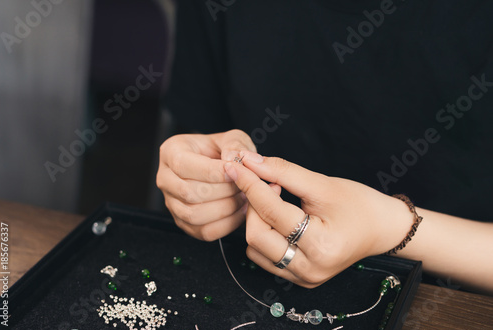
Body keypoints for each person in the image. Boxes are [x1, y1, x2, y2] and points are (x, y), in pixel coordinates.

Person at [156, 0, 493, 295]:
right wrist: (201, 181)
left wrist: (390, 227)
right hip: (242, 273)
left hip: (448, 299)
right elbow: (207, 128)